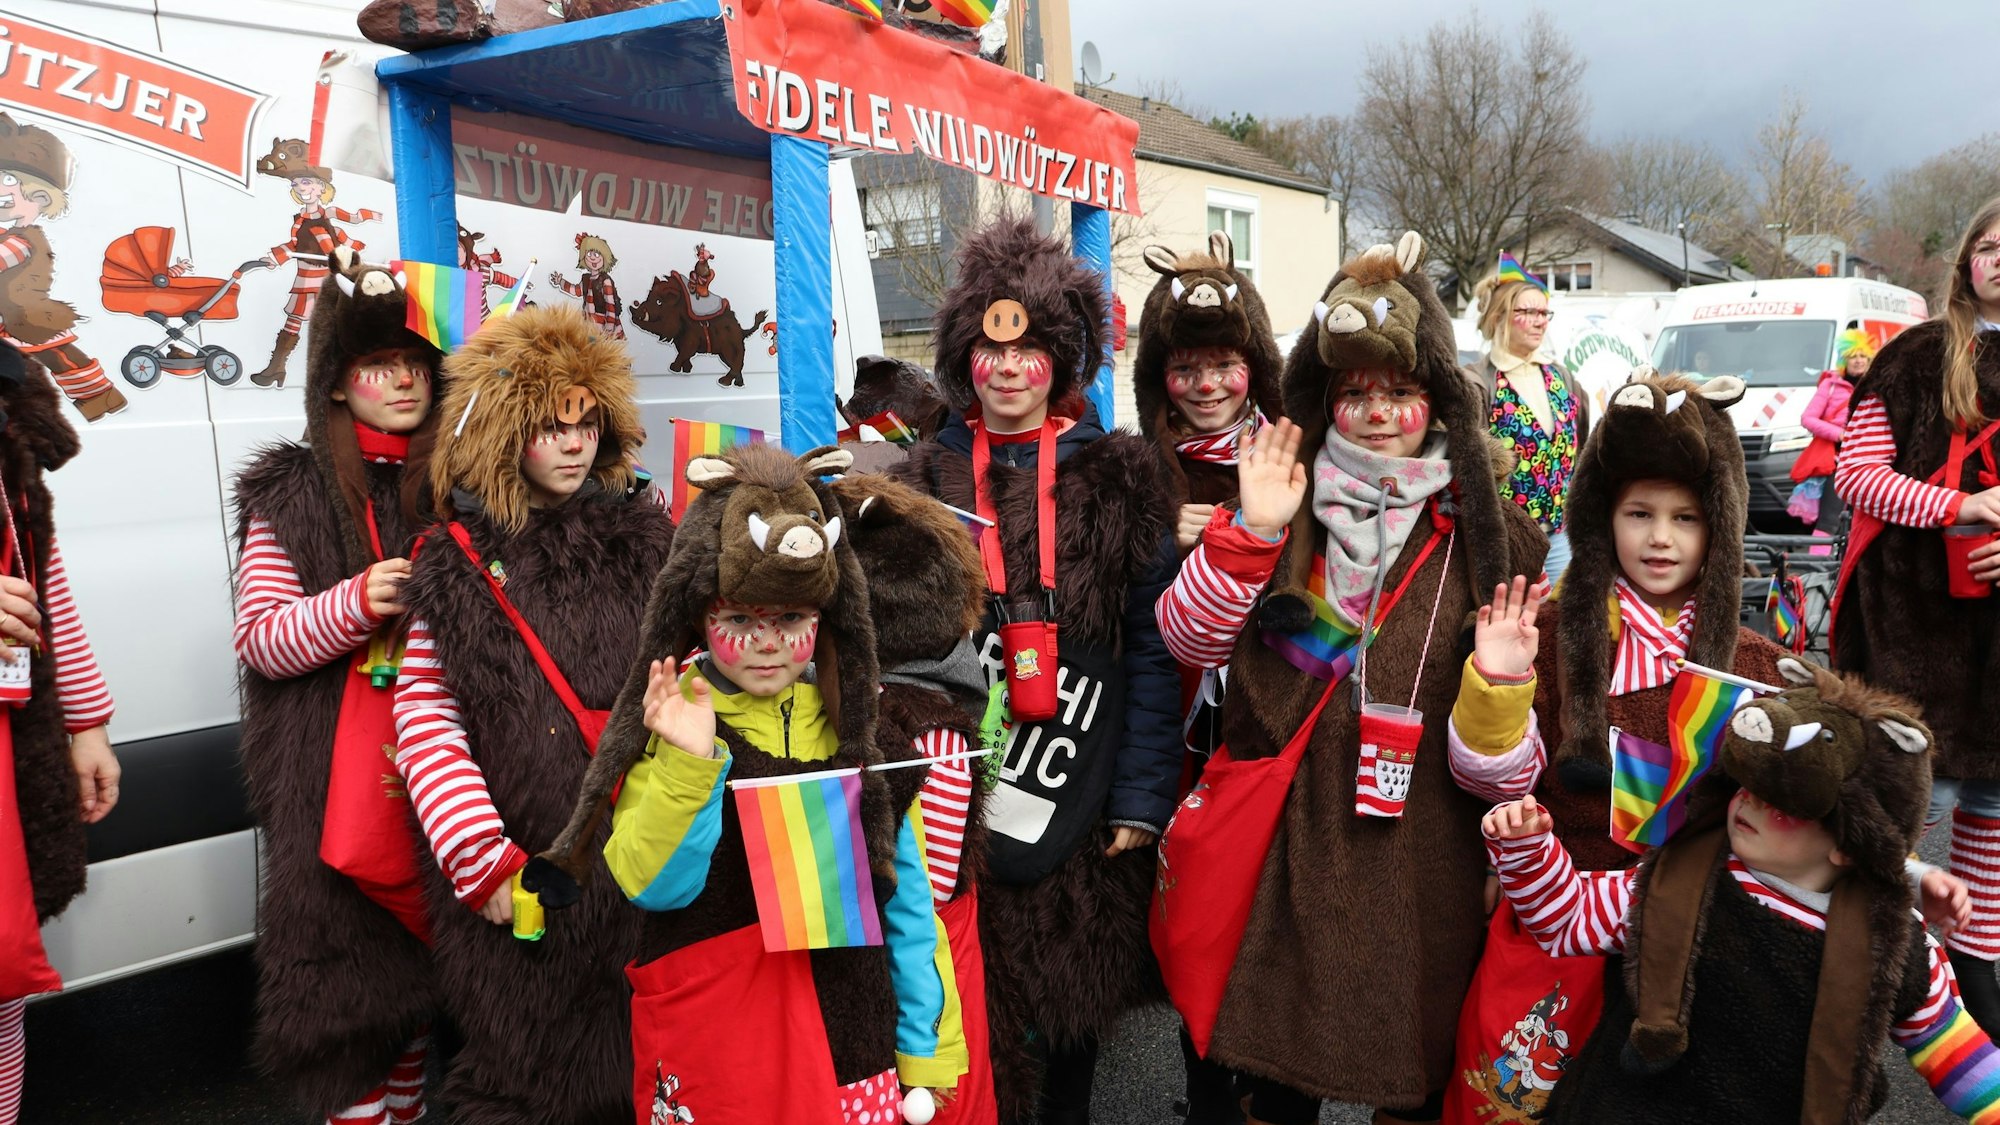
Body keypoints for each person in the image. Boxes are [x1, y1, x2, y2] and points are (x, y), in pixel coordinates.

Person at [1154, 232, 1541, 1125]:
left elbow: (1517, 765)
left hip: (1425, 860)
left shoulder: (1495, 536)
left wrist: (1499, 692)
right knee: (1275, 1087)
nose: (1377, 410)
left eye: (1400, 391)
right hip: (1291, 844)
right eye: (1356, 391)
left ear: (1435, 396)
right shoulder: (1279, 499)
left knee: (1410, 1081)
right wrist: (1247, 533)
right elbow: (1188, 640)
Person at [527, 441, 967, 1123]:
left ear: (824, 619)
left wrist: (928, 1049)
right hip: (723, 1047)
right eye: (739, 619)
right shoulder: (675, 721)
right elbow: (652, 883)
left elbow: (908, 906)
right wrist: (689, 761)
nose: (767, 641)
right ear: (701, 616)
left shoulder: (868, 738)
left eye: (791, 619)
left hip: (850, 1044)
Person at [1440, 369, 1797, 1122]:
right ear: (1604, 516)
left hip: (1698, 944)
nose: (1661, 537)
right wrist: (1497, 683)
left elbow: (1802, 816)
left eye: (1687, 517)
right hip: (1555, 924)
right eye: (1640, 512)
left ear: (1721, 526)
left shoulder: (1756, 664)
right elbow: (1492, 777)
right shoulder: (1555, 635)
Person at [891, 217, 1181, 1124]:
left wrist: (1140, 798)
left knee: (1067, 1043)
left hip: (1086, 806)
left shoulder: (1122, 476)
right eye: (988, 349)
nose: (1009, 369)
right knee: (971, 1039)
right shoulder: (921, 479)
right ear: (963, 358)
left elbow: (1155, 652)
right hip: (953, 805)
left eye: (1030, 352)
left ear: (1063, 360)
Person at [1482, 660, 2000, 1123]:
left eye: (1781, 805)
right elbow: (1565, 919)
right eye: (1745, 788)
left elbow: (1955, 1053)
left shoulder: (1896, 947)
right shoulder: (1675, 884)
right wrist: (1527, 849)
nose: (1747, 806)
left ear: (1848, 842)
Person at [391, 305, 673, 1125]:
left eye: (585, 421)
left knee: (649, 1070)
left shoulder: (647, 538)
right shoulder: (455, 561)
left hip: (645, 859)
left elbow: (695, 675)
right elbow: (427, 724)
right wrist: (481, 859)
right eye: (550, 424)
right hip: (526, 874)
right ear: (504, 430)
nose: (574, 441)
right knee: (525, 1078)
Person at [231, 247, 442, 1125]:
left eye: (412, 366)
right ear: (336, 383)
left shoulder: (459, 487)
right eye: (375, 367)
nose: (399, 383)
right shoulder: (291, 492)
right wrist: (357, 601)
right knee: (348, 1011)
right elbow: (263, 640)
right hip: (331, 791)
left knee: (424, 1004)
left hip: (441, 779)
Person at [1833, 195, 2000, 1035]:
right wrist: (1962, 508)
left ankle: (1977, 992)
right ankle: (1851, 969)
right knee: (1893, 810)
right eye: (1991, 245)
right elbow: (1856, 478)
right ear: (1966, 259)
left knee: (1993, 819)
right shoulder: (1916, 355)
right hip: (1913, 638)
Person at [1130, 231, 1283, 1125]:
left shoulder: (1294, 452)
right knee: (1199, 921)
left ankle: (1275, 1088)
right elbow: (1115, 605)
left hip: (1274, 718)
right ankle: (1206, 1092)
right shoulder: (1138, 464)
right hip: (1182, 726)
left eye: (1224, 362)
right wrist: (1166, 539)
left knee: (1272, 910)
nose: (1208, 384)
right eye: (1186, 367)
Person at [830, 471, 998, 1122]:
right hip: (932, 956)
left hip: (921, 983)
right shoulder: (936, 703)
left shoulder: (909, 728)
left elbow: (918, 890)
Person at [0, 340, 118, 1125]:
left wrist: (87, 724)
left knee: (2, 988)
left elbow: (46, 579)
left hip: (11, 747)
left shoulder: (9, 389)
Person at [1473, 258, 1590, 583]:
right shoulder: (1481, 382)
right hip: (1507, 540)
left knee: (1558, 622)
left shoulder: (1562, 377)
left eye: (1544, 313)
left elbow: (1582, 451)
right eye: (1528, 313)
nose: (1540, 322)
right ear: (1499, 316)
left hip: (1560, 537)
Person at [252, 139, 381, 387]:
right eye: (296, 183)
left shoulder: (328, 215)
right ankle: (276, 367)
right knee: (295, 322)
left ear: (321, 188)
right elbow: (294, 246)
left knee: (336, 324)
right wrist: (274, 258)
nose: (301, 187)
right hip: (305, 277)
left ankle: (351, 374)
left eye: (306, 182)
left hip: (327, 278)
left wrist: (375, 216)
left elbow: (353, 219)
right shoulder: (299, 220)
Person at [1790, 329, 1873, 545]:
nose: (1858, 361)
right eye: (1853, 356)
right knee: (1828, 520)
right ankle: (1817, 568)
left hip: (1869, 461)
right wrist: (1840, 434)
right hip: (1836, 462)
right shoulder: (1830, 385)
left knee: (1864, 522)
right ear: (1844, 360)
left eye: (1862, 355)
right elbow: (1808, 418)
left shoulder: (1876, 385)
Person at [549, 234, 625, 340]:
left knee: (603, 352)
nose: (593, 257)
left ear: (605, 257)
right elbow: (576, 291)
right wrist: (561, 282)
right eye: (589, 253)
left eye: (597, 254)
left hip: (604, 323)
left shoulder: (605, 280)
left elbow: (610, 306)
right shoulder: (586, 278)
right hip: (589, 322)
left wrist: (609, 328)